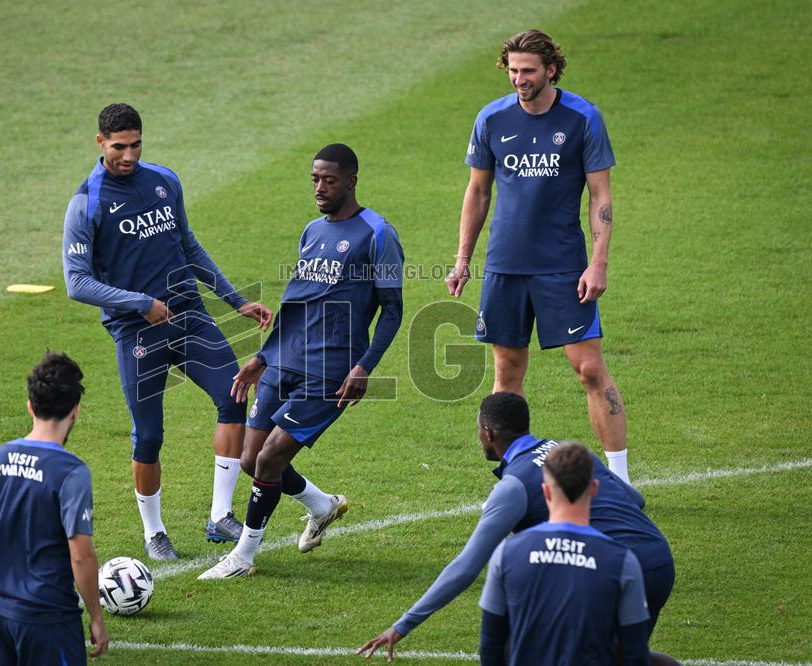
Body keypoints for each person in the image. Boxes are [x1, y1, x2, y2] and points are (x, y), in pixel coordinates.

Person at [63, 103, 273, 561]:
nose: (129, 155)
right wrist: (140, 304)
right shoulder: (87, 203)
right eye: (119, 147)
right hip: (136, 332)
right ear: (100, 143)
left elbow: (187, 245)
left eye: (136, 144)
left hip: (190, 315)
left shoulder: (164, 180)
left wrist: (235, 299)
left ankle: (220, 516)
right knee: (150, 435)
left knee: (233, 396)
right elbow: (76, 282)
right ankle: (153, 532)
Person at [198, 143, 404, 579]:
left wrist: (365, 365)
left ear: (351, 180)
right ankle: (321, 505)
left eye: (329, 179)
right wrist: (262, 356)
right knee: (252, 460)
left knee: (271, 459)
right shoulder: (312, 230)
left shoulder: (378, 233)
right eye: (314, 178)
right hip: (284, 362)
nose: (320, 187)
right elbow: (298, 303)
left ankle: (243, 557)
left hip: (331, 372)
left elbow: (393, 308)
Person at [357, 392, 675, 662]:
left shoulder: (514, 486)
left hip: (606, 569)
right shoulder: (567, 453)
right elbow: (636, 499)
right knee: (615, 656)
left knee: (529, 648)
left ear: (489, 434)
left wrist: (402, 625)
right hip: (658, 559)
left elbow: (466, 567)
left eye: (478, 430)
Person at [444, 29, 631, 484]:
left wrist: (598, 261)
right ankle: (513, 477)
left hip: (564, 266)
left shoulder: (583, 118)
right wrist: (463, 257)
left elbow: (600, 195)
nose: (519, 79)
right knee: (506, 375)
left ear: (551, 69)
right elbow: (478, 191)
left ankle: (621, 479)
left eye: (528, 70)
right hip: (505, 266)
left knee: (589, 369)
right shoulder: (491, 118)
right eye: (512, 70)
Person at [0, 352, 108, 665]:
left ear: (30, 406)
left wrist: (7, 593)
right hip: (49, 619)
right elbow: (81, 554)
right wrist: (97, 617)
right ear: (75, 411)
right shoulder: (71, 471)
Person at [477, 442, 650, 665]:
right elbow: (635, 653)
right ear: (595, 489)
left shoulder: (507, 555)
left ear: (546, 491)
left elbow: (490, 644)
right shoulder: (622, 562)